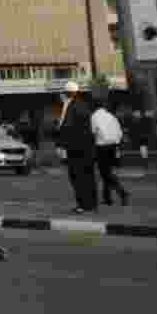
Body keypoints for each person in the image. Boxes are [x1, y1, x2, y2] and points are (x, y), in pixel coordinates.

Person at [56, 81, 97, 214]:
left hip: (75, 148)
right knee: (89, 176)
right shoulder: (84, 105)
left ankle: (83, 205)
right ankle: (92, 203)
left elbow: (66, 127)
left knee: (77, 177)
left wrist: (60, 145)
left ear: (66, 93)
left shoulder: (70, 106)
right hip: (88, 146)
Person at [91, 102, 129, 206]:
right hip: (114, 146)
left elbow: (93, 132)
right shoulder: (111, 116)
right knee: (107, 172)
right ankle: (107, 198)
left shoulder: (94, 117)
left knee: (105, 173)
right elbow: (119, 132)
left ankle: (122, 192)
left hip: (102, 147)